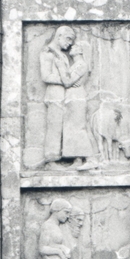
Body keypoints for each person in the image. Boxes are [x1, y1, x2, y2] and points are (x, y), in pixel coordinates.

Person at [39, 26, 97, 168]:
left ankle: (76, 158)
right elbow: (46, 76)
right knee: (54, 128)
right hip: (54, 95)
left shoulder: (62, 55)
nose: (70, 43)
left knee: (68, 128)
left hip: (66, 97)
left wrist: (68, 81)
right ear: (59, 36)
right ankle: (51, 161)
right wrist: (66, 81)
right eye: (68, 39)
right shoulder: (48, 54)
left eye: (72, 40)